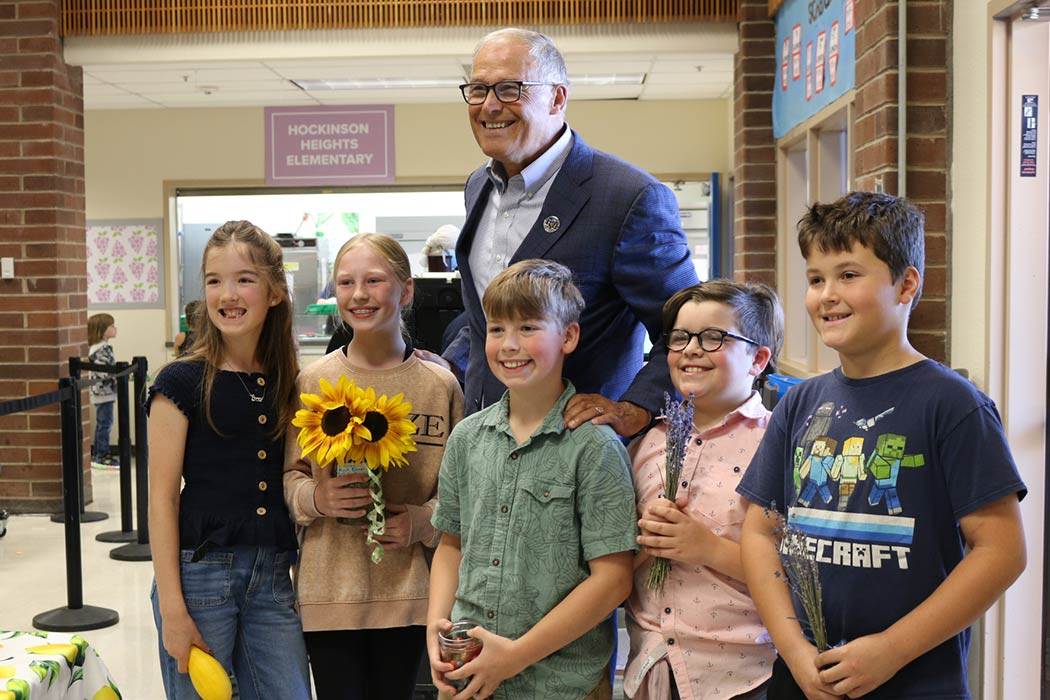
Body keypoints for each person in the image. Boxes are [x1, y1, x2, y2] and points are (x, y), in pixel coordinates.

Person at [737, 192, 1027, 700]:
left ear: (906, 284)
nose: (827, 294)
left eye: (849, 275)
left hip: (913, 679)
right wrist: (793, 649)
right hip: (803, 675)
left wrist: (892, 648)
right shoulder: (799, 403)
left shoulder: (954, 405)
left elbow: (1002, 552)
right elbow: (760, 534)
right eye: (815, 279)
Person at [428, 27, 697, 437]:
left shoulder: (629, 198)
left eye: (509, 89)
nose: (489, 106)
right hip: (485, 439)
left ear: (557, 98)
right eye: (479, 89)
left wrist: (635, 409)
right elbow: (487, 317)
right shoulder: (477, 187)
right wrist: (449, 364)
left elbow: (686, 328)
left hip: (577, 452)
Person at [427, 259, 637, 700]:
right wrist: (436, 627)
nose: (509, 344)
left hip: (563, 684)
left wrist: (517, 655)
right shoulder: (466, 438)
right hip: (470, 672)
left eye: (528, 328)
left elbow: (613, 580)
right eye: (497, 329)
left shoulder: (594, 448)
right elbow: (451, 544)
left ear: (569, 336)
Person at [284, 233, 464, 700]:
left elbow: (461, 494)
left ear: (405, 292)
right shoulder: (314, 380)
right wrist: (316, 499)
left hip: (408, 595)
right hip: (329, 593)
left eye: (374, 280)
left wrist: (422, 521)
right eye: (346, 282)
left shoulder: (439, 384)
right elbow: (291, 478)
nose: (358, 294)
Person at [147, 220, 311, 699]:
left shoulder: (288, 380)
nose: (227, 294)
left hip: (273, 577)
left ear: (275, 292)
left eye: (245, 278)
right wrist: (174, 609)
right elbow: (161, 501)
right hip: (199, 576)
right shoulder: (179, 382)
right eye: (214, 280)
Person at [625, 280, 784, 700]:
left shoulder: (779, 445)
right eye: (679, 337)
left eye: (714, 337)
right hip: (651, 665)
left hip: (743, 675)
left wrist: (707, 548)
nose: (691, 349)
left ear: (758, 358)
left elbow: (800, 571)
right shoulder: (646, 443)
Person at [87, 313, 118, 467]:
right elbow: (105, 371)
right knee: (105, 424)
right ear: (103, 329)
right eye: (111, 326)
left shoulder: (96, 348)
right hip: (103, 393)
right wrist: (118, 375)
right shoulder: (102, 349)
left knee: (103, 423)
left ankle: (100, 453)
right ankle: (101, 455)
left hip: (101, 392)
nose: (115, 328)